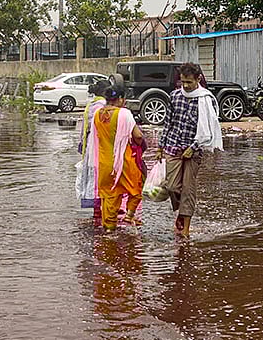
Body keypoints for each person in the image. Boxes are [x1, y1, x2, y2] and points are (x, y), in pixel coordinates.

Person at [154, 62, 223, 235]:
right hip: (173, 146)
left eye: (189, 82)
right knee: (172, 187)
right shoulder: (174, 96)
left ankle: (185, 228)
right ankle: (180, 214)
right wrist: (160, 147)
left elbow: (209, 129)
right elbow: (168, 122)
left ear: (198, 79)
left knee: (188, 189)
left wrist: (193, 147)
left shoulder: (206, 100)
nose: (185, 86)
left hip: (194, 151)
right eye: (182, 82)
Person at [87, 85, 147, 230]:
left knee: (109, 196)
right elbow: (138, 136)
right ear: (120, 99)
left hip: (104, 163)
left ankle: (109, 229)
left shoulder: (97, 114)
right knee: (137, 185)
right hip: (124, 161)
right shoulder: (124, 114)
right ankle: (129, 215)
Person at [77, 79, 110, 214]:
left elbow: (84, 126)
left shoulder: (91, 104)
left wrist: (81, 144)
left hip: (89, 145)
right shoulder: (102, 106)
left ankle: (96, 211)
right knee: (100, 178)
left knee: (92, 176)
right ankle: (101, 212)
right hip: (99, 146)